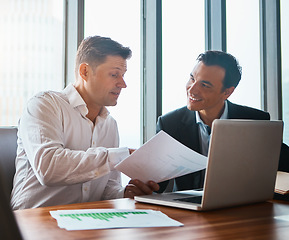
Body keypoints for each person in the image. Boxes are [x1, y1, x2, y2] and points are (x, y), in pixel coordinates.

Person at [11, 35, 159, 210]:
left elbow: (106, 188)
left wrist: (124, 193)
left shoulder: (110, 124)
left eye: (123, 75)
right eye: (114, 74)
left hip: (85, 221)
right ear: (85, 72)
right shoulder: (45, 104)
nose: (123, 84)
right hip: (31, 223)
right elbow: (48, 167)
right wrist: (118, 156)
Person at [156, 50, 289, 193]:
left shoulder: (255, 120)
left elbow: (283, 164)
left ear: (227, 92)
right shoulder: (170, 124)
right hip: (187, 209)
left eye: (204, 85)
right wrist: (142, 186)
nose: (192, 90)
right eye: (192, 79)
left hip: (240, 206)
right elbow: (157, 183)